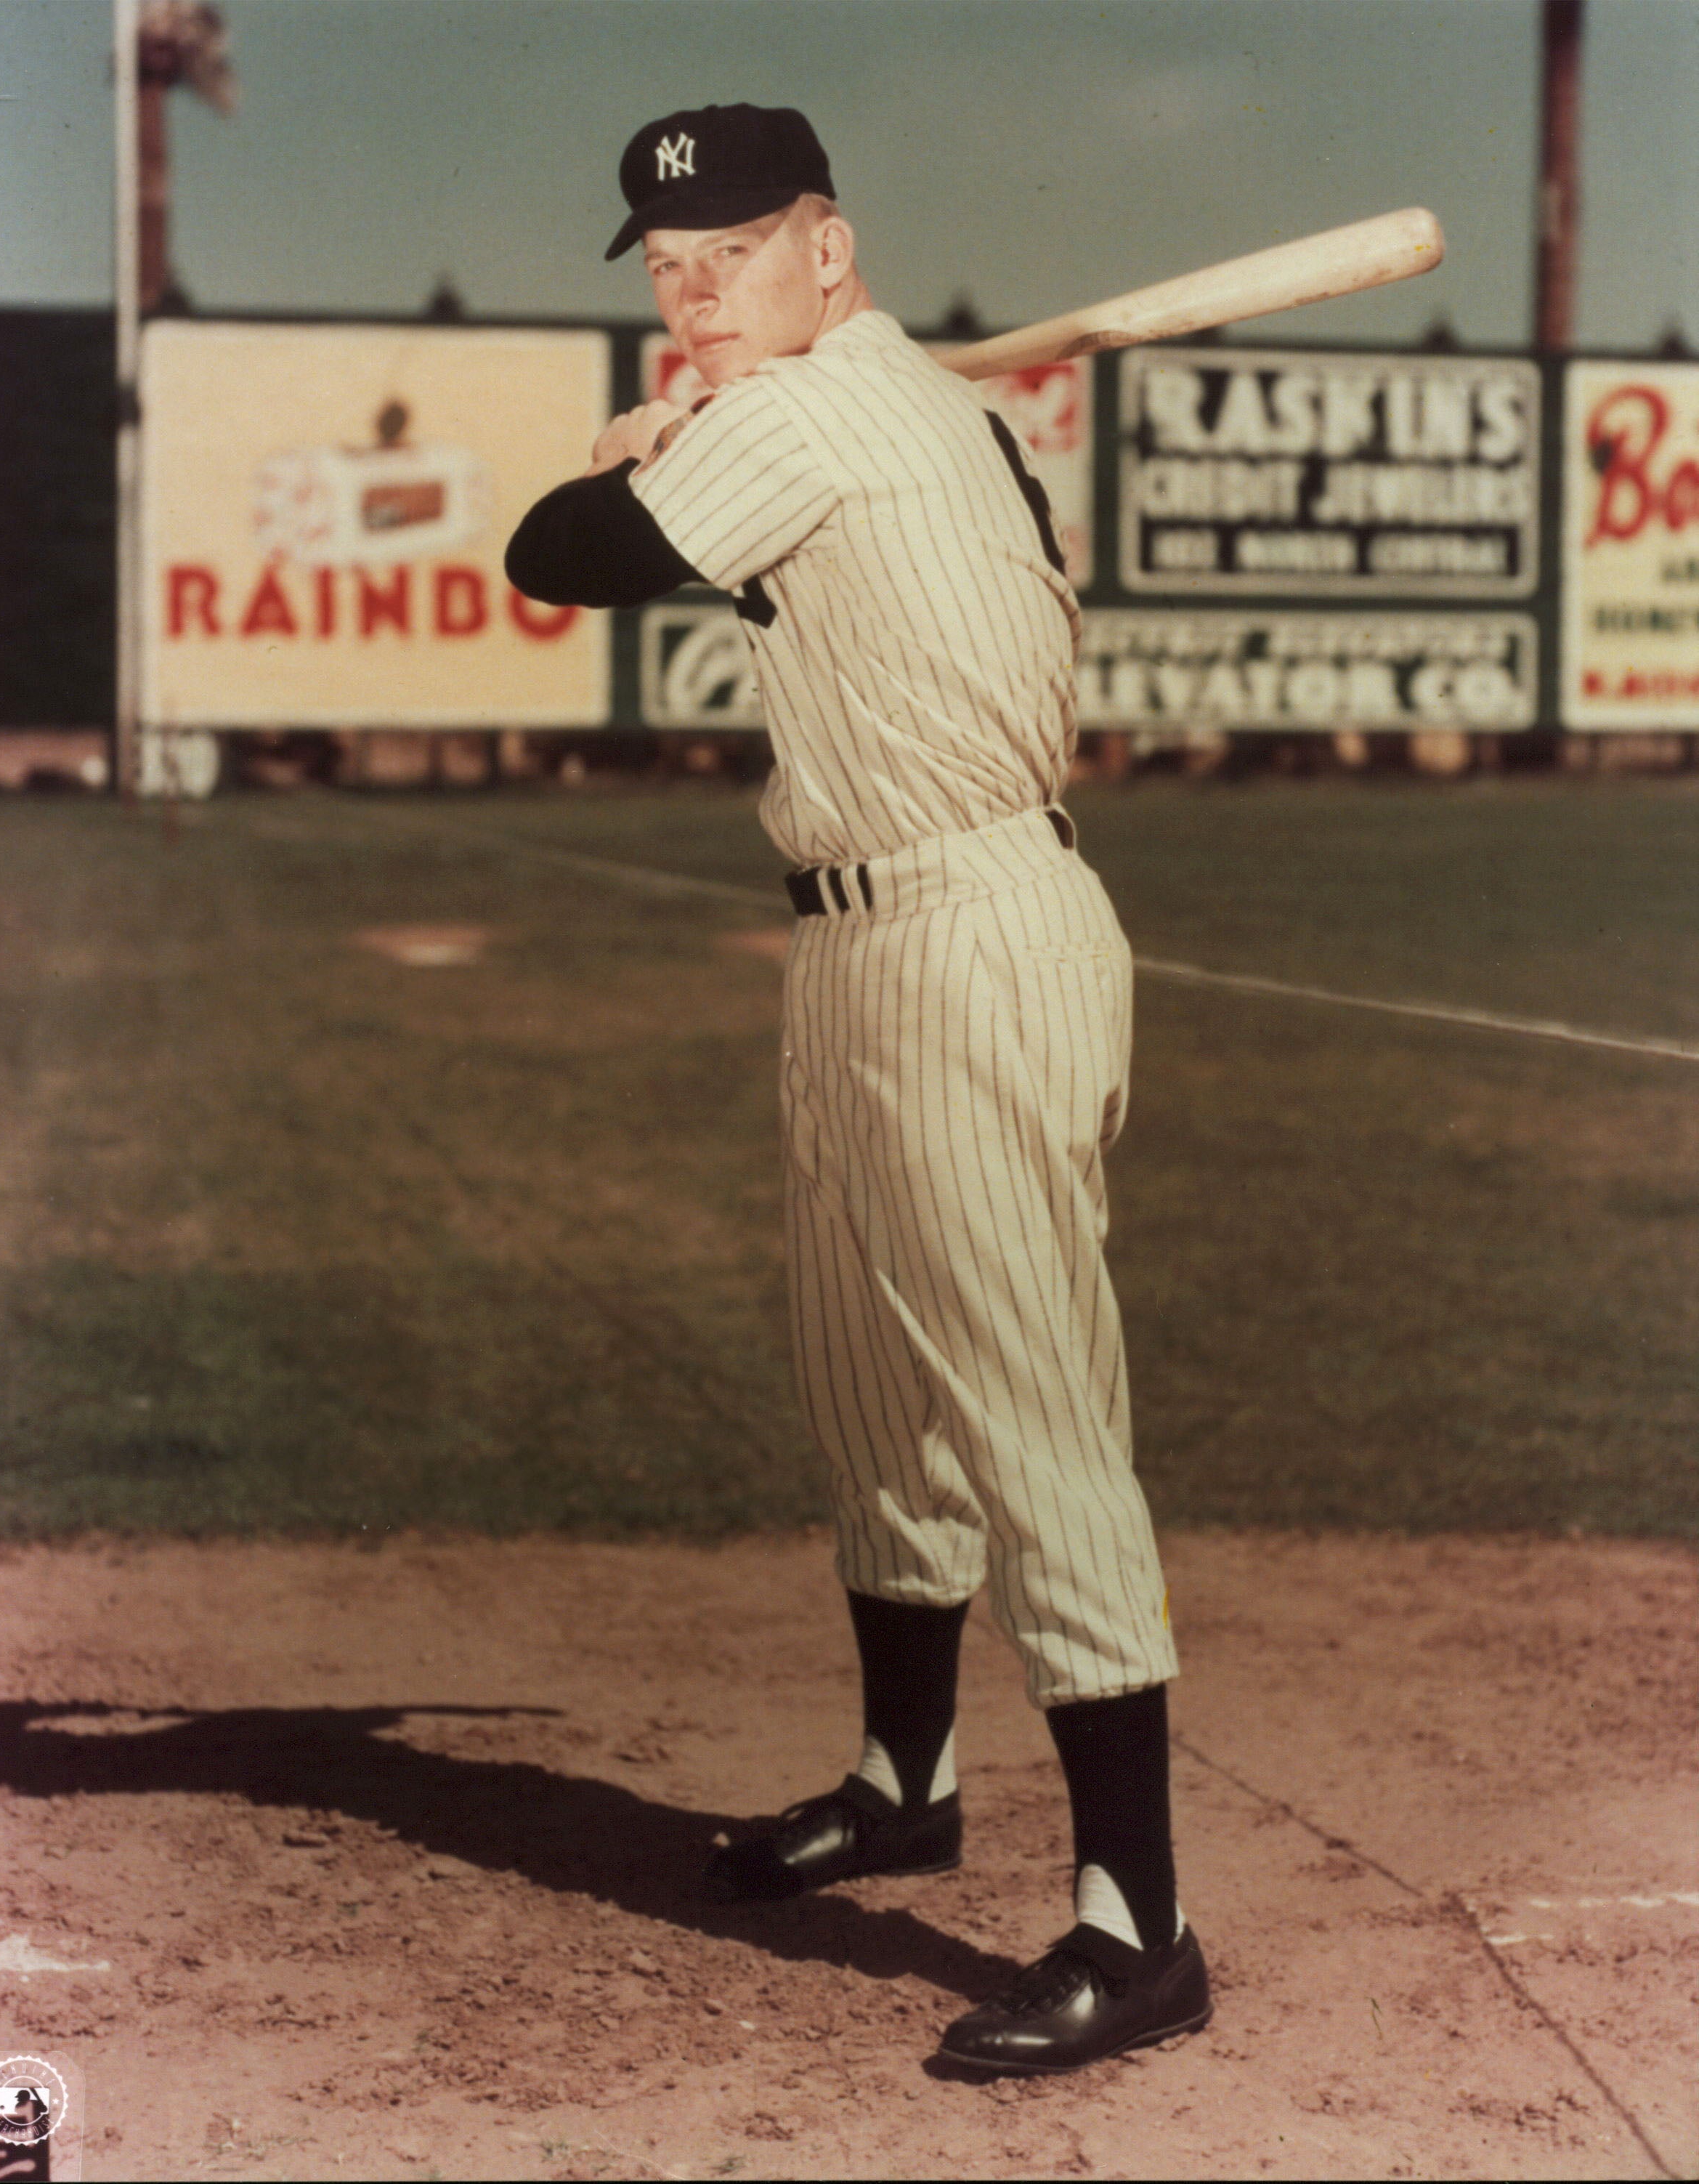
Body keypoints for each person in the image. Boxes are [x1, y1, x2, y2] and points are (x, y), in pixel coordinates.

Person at [506, 102, 1212, 2076]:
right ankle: (906, 1781)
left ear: (833, 247)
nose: (694, 293)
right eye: (665, 269)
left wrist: (644, 444)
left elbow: (554, 557)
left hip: (971, 928)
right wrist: (692, 423)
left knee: (1027, 1407)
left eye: (732, 254)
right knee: (869, 1382)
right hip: (858, 932)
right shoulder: (880, 403)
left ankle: (1140, 1926)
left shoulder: (812, 416)